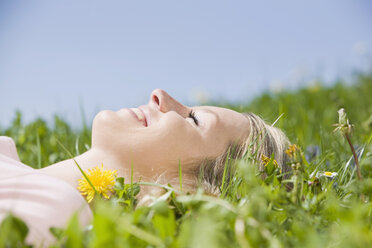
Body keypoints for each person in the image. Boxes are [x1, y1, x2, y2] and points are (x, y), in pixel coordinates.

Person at [0, 89, 290, 246]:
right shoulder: (7, 152)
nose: (159, 95)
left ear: (189, 190)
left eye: (194, 119)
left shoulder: (51, 213)